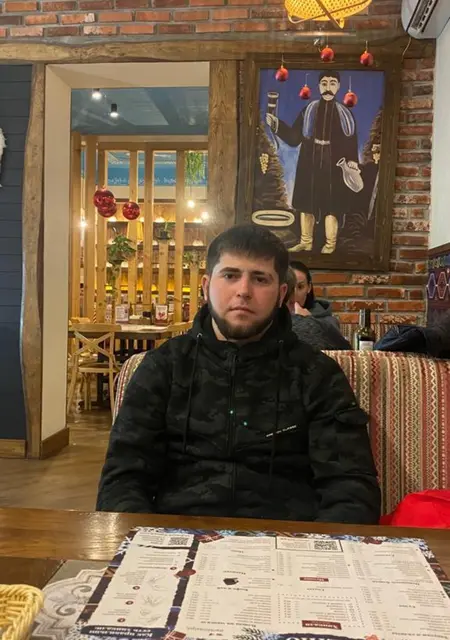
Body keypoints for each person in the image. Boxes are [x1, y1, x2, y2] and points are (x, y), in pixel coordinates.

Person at [97, 224, 380, 524]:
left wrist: (313, 548)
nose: (243, 291)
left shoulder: (316, 374)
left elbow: (352, 490)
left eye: (260, 279)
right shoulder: (163, 367)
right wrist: (146, 541)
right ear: (206, 287)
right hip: (178, 536)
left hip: (288, 540)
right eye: (230, 275)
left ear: (281, 294)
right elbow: (122, 481)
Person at [266, 70, 359, 254]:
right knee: (306, 202)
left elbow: (350, 141)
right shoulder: (308, 110)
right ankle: (305, 242)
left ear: (338, 87)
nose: (328, 87)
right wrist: (277, 124)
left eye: (332, 83)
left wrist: (353, 162)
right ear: (318, 86)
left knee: (332, 205)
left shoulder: (345, 114)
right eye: (324, 83)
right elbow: (294, 137)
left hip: (335, 164)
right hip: (309, 161)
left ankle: (330, 245)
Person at [285, 264, 351, 351]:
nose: (295, 293)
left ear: (309, 287)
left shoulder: (327, 320)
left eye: (300, 287)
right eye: (290, 287)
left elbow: (344, 349)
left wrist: (307, 320)